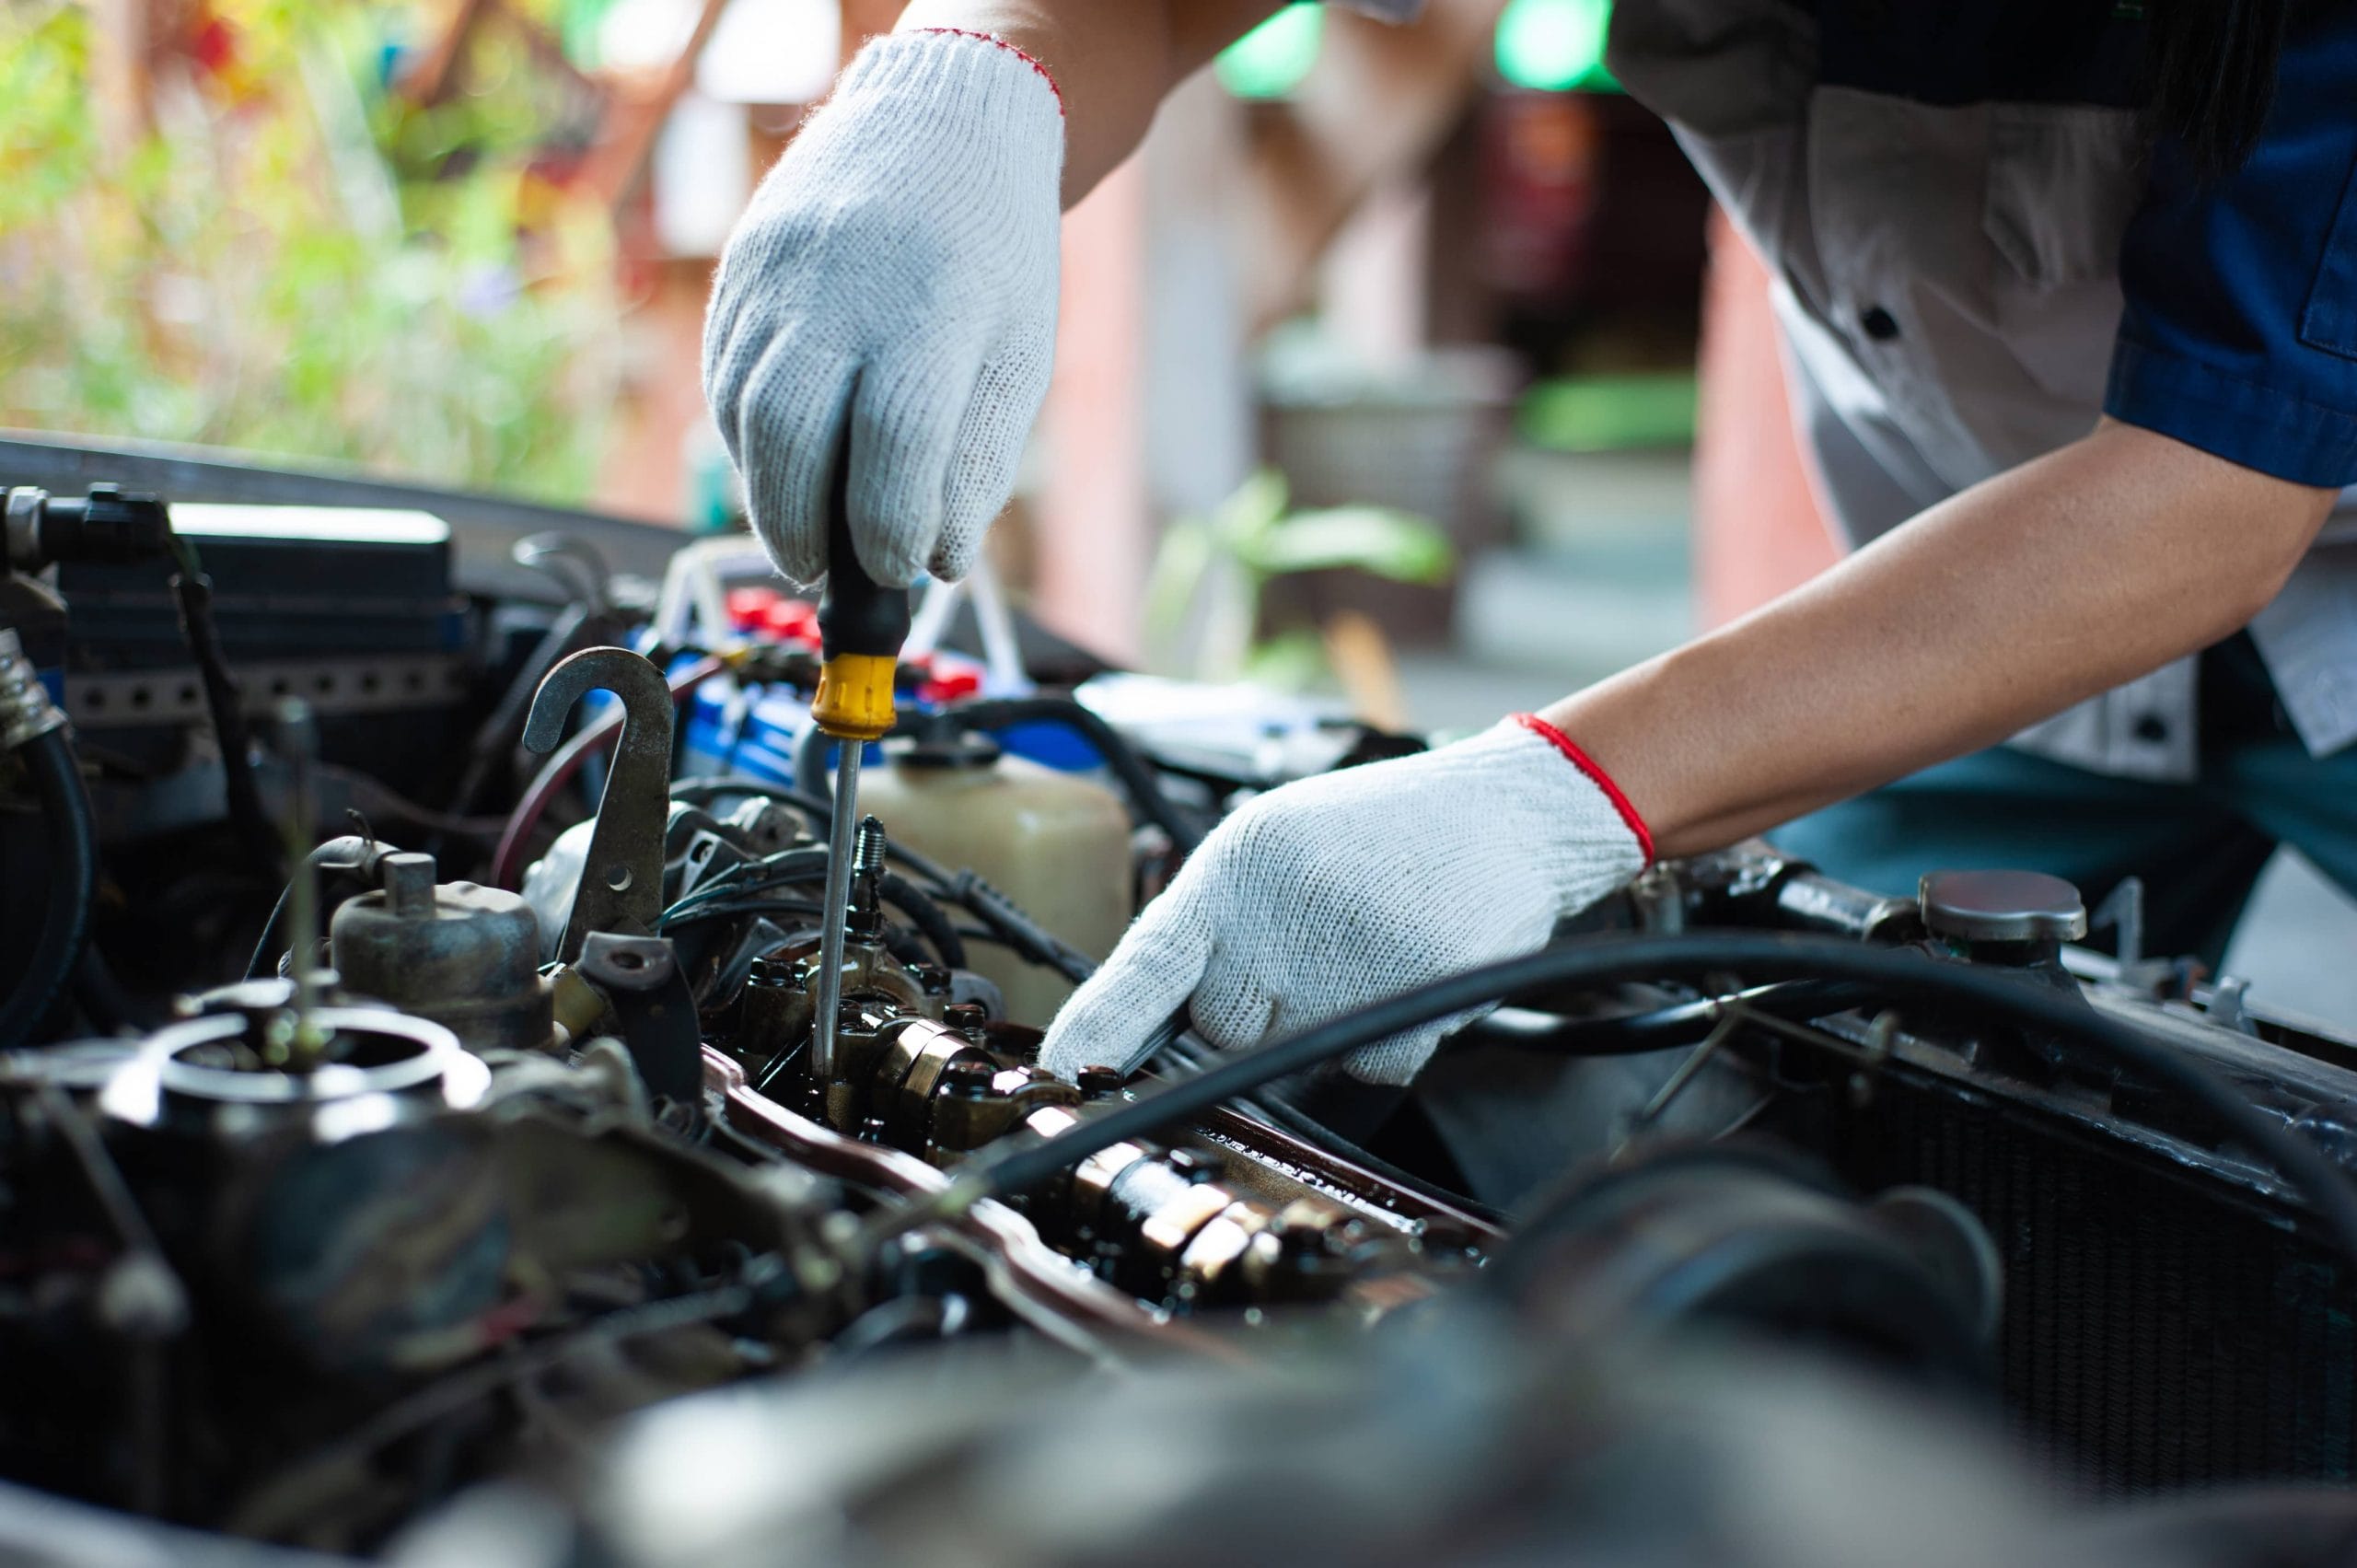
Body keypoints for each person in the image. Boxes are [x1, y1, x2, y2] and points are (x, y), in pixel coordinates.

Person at [703, 0, 2357, 1094]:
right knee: (1874, 1110)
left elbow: (2215, 487)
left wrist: (1562, 792)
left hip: (2284, 549)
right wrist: (977, 81)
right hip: (1959, 604)